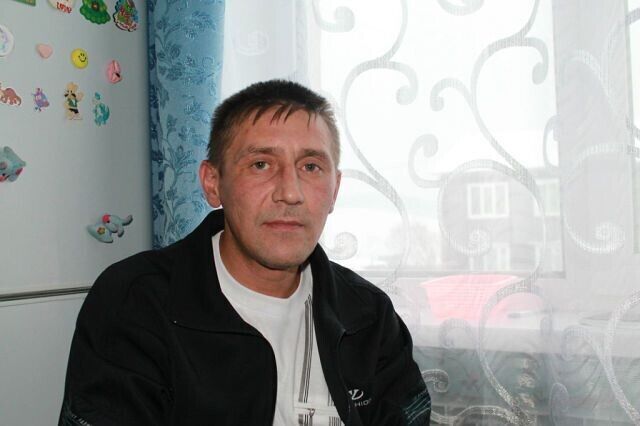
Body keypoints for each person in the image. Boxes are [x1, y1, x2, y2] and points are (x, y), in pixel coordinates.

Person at [59, 80, 431, 425]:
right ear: (213, 183)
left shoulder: (368, 315)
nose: (290, 192)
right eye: (261, 164)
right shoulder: (135, 302)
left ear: (334, 190)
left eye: (311, 166)